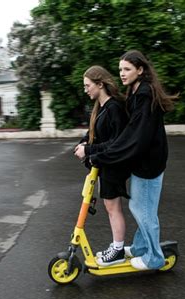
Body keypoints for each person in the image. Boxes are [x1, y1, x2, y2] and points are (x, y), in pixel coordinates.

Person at [76, 50, 177, 270]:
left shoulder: (144, 95)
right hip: (142, 161)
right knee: (139, 206)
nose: (122, 73)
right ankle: (142, 247)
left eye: (127, 69)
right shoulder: (135, 91)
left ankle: (154, 258)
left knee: (144, 210)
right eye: (120, 69)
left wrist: (99, 155)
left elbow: (134, 137)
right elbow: (129, 135)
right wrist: (96, 151)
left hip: (150, 162)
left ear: (140, 70)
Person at [74, 65, 130, 266]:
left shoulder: (114, 107)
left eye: (88, 85)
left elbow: (117, 143)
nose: (86, 89)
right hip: (104, 163)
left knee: (113, 207)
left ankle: (117, 250)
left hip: (113, 164)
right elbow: (95, 133)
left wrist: (88, 150)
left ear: (100, 84)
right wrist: (83, 143)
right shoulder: (101, 106)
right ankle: (117, 247)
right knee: (109, 206)